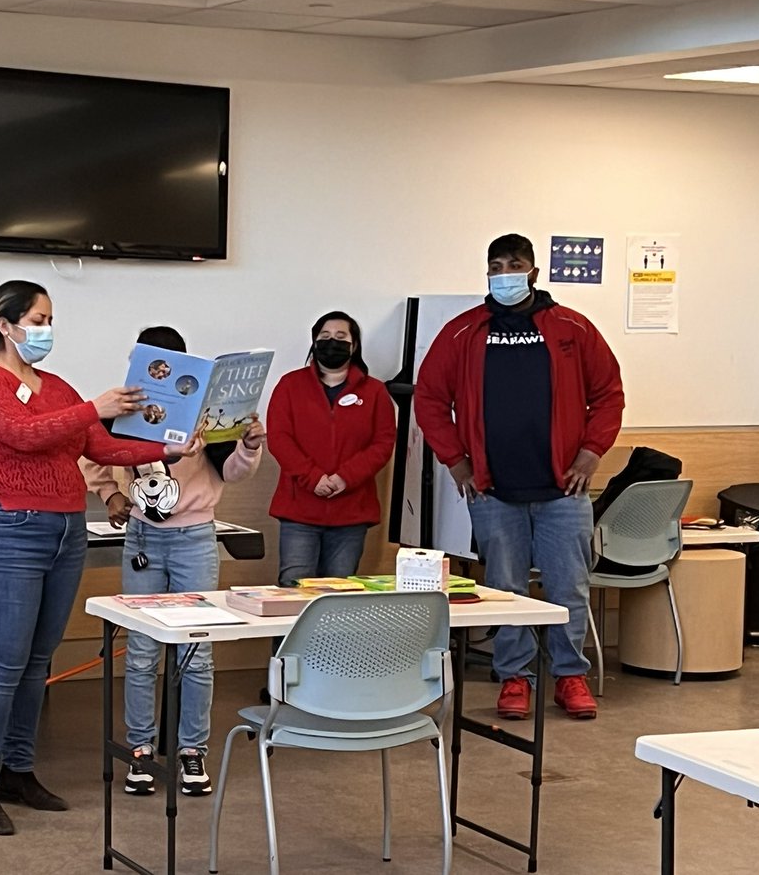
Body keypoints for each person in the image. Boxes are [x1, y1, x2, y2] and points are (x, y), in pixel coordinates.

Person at [0, 282, 202, 836]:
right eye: (38, 319)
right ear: (6, 324)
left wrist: (168, 448)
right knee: (1, 664)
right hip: (7, 532)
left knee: (38, 662)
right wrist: (96, 406)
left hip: (66, 532)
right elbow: (21, 434)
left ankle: (17, 771)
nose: (47, 330)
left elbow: (103, 447)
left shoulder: (57, 385)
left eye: (49, 319)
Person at [415, 234, 624, 721]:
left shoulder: (572, 328)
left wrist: (592, 454)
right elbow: (428, 398)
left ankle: (569, 676)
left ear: (533, 271)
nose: (505, 272)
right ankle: (514, 678)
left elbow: (609, 394)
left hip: (563, 489)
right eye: (495, 265)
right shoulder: (463, 332)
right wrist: (456, 460)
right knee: (505, 589)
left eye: (515, 264)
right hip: (492, 489)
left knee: (567, 586)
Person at [83, 325, 264, 798]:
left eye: (169, 363)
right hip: (143, 536)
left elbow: (234, 471)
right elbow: (92, 453)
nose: (161, 371)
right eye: (152, 362)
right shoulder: (125, 405)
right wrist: (108, 495)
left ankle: (191, 751)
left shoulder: (205, 410)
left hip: (194, 538)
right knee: (141, 650)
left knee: (195, 650)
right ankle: (140, 751)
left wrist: (248, 443)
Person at [266, 311, 396, 586]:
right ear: (314, 342)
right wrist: (313, 478)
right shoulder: (290, 385)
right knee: (293, 587)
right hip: (299, 510)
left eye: (340, 337)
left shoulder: (374, 392)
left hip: (351, 512)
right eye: (324, 337)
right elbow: (279, 439)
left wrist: (344, 478)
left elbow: (383, 444)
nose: (332, 342)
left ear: (354, 345)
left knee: (338, 593)